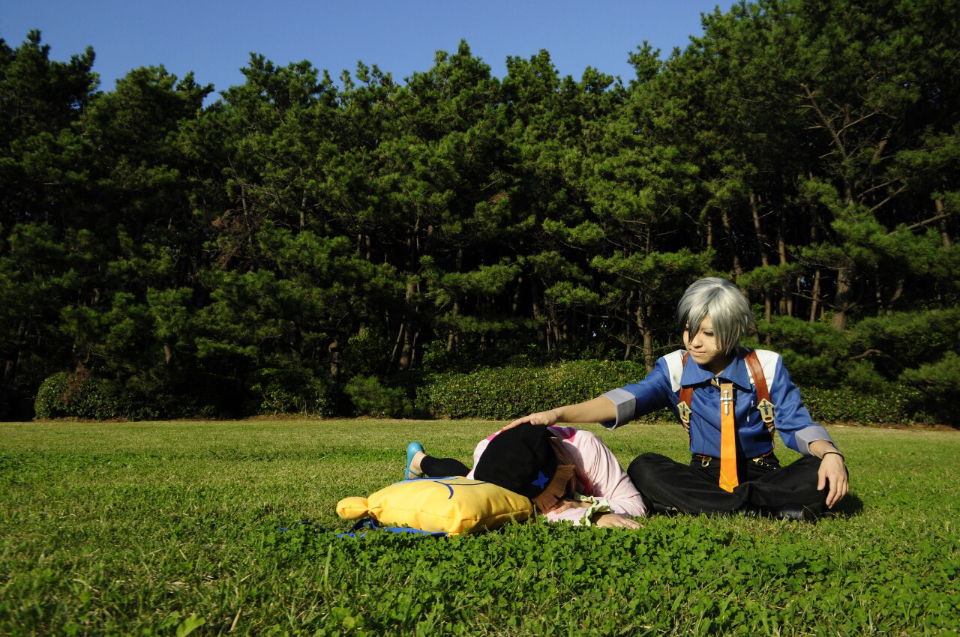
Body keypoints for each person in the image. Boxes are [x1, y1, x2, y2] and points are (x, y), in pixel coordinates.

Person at [506, 277, 849, 520]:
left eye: (708, 333)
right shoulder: (674, 368)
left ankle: (725, 505)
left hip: (762, 472)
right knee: (645, 468)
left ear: (732, 331)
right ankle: (767, 508)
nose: (694, 341)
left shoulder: (767, 366)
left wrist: (831, 454)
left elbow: (797, 424)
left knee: (818, 470)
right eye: (689, 329)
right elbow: (625, 400)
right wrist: (557, 414)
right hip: (703, 474)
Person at [405, 423, 645, 528]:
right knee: (464, 479)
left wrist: (582, 505)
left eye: (559, 491)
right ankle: (420, 460)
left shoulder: (587, 447)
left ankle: (420, 459)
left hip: (531, 445)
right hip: (494, 455)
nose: (555, 505)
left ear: (564, 462)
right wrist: (588, 515)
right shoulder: (491, 470)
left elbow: (635, 505)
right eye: (543, 503)